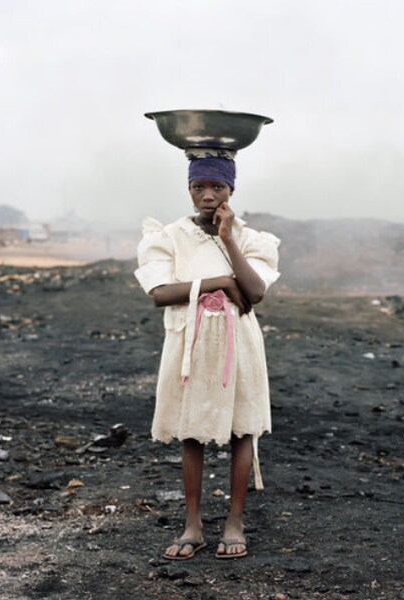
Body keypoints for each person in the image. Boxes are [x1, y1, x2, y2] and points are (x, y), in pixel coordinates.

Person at [134, 154, 280, 560]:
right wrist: (219, 283)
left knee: (242, 428)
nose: (208, 195)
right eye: (199, 187)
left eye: (217, 187)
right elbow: (160, 293)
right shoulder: (169, 236)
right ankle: (193, 525)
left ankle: (235, 522)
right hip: (189, 342)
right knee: (191, 430)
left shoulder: (252, 239)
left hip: (240, 343)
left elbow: (255, 291)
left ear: (231, 190)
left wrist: (229, 238)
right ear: (189, 189)